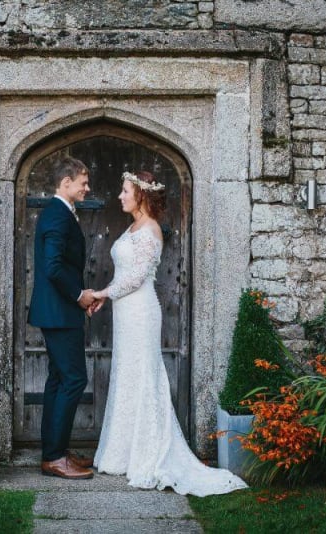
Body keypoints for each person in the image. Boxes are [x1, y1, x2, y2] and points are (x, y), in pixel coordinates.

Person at [90, 170, 247, 496]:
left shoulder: (150, 230)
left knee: (144, 374)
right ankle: (123, 454)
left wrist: (102, 293)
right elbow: (125, 275)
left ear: (141, 195)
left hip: (141, 311)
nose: (120, 196)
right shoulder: (133, 226)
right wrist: (107, 298)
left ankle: (149, 454)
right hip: (125, 312)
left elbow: (135, 278)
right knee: (127, 374)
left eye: (125, 191)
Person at [28, 156, 99, 480]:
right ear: (65, 183)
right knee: (73, 380)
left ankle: (54, 452)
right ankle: (55, 457)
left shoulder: (61, 213)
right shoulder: (57, 215)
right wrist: (79, 295)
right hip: (59, 312)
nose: (87, 188)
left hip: (59, 312)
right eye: (83, 182)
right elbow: (54, 267)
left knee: (58, 380)